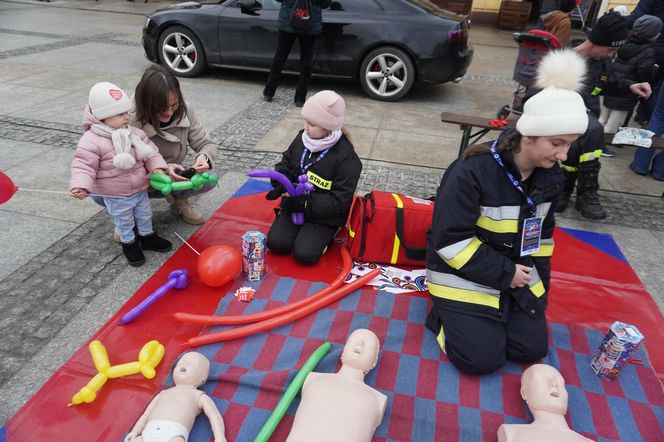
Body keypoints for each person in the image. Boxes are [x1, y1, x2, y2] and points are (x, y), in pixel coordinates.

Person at [425, 50, 589, 375]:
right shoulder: (471, 172)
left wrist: (536, 295)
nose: (564, 154)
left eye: (570, 144)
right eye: (557, 143)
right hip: (459, 272)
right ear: (528, 135)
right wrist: (506, 274)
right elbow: (449, 241)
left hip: (511, 273)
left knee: (531, 348)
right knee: (482, 360)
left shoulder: (549, 176)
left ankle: (491, 317)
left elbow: (541, 240)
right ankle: (440, 315)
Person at [554, 12, 651, 219]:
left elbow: (607, 83)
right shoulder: (562, 59)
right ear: (595, 42)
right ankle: (576, 190)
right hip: (558, 117)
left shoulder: (602, 62)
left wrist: (631, 86)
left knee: (589, 131)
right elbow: (536, 94)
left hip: (585, 123)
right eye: (609, 49)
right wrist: (571, 105)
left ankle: (577, 191)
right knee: (591, 130)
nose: (611, 54)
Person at [70, 82, 172, 267]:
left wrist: (157, 168)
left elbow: (152, 152)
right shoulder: (91, 141)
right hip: (115, 193)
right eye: (120, 114)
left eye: (126, 112)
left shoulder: (135, 133)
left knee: (144, 214)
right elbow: (83, 165)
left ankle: (148, 237)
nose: (127, 117)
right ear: (102, 116)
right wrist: (81, 185)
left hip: (140, 188)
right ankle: (129, 243)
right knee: (124, 220)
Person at [265, 90, 362, 265]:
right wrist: (280, 182)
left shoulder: (347, 159)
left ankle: (329, 234)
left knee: (304, 255)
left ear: (328, 127)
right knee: (276, 244)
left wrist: (306, 203)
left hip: (324, 216)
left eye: (313, 124)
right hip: (294, 206)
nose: (307, 127)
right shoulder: (302, 138)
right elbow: (285, 163)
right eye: (306, 121)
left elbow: (340, 201)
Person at [130, 66, 219, 225]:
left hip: (174, 174)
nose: (169, 113)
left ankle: (180, 201)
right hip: (143, 177)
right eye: (161, 108)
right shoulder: (129, 117)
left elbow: (206, 143)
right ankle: (127, 212)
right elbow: (122, 164)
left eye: (174, 105)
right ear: (146, 103)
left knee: (210, 178)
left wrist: (203, 157)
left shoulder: (185, 108)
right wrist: (162, 169)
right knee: (106, 188)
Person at [287, 329, 387, 442]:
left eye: (369, 346)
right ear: (343, 352)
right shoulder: (313, 379)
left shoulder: (378, 400)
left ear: (374, 361)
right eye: (353, 341)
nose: (360, 344)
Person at [124, 352, 227, 442]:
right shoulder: (163, 393)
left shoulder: (198, 396)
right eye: (181, 362)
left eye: (192, 363)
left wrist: (220, 437)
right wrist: (135, 431)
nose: (184, 363)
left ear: (203, 376)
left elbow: (214, 416)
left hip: (174, 435)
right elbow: (146, 415)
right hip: (147, 434)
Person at [262, 0, 331, 107]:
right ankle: (300, 98)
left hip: (287, 22)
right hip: (310, 23)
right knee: (306, 62)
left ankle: (269, 92)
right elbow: (325, 4)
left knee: (280, 58)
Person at [600, 15, 662, 134]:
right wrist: (654, 69)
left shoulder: (624, 42)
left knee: (602, 119)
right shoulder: (648, 52)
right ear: (652, 34)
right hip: (627, 94)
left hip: (612, 87)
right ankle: (601, 149)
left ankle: (592, 144)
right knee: (613, 125)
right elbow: (645, 75)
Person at [497, 364, 592, 442]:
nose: (554, 384)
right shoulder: (512, 433)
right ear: (524, 393)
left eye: (561, 383)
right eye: (542, 379)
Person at [627, 0, 664, 126]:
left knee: (641, 90)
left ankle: (647, 121)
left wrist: (617, 18)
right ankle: (648, 120)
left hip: (649, 48)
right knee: (655, 95)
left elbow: (635, 19)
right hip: (656, 52)